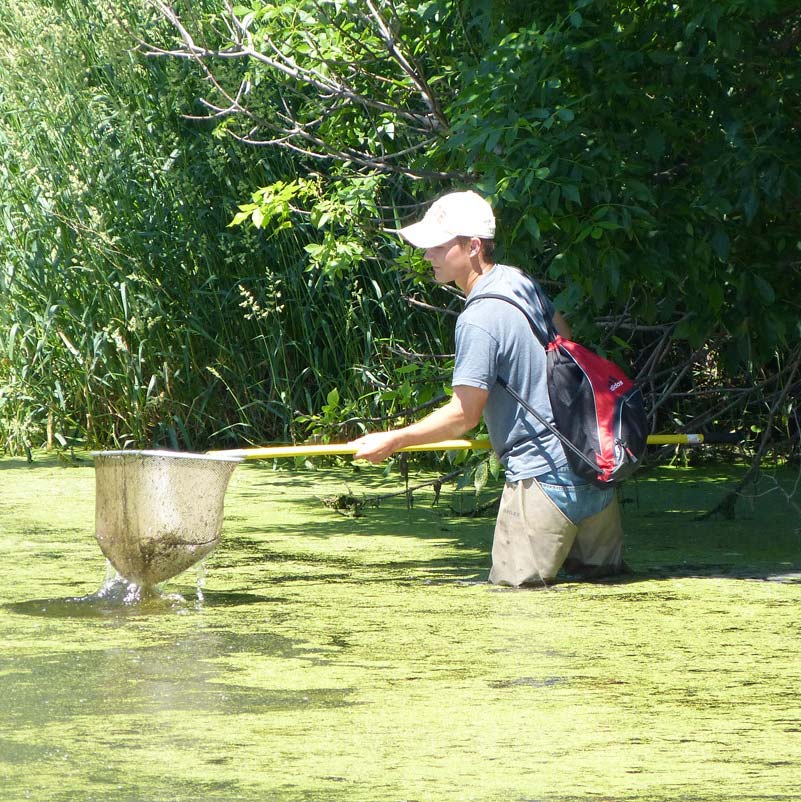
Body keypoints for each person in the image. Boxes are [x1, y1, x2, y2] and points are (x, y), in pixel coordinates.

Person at [350, 190, 625, 587]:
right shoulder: (520, 281)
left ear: (473, 246)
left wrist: (393, 440)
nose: (428, 255)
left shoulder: (478, 319)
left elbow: (464, 416)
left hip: (541, 484)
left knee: (517, 616)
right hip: (593, 472)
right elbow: (566, 340)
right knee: (605, 603)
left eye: (438, 247)